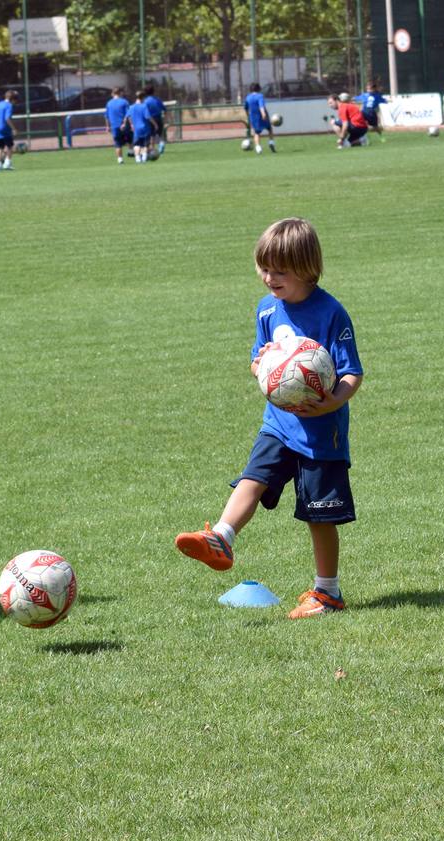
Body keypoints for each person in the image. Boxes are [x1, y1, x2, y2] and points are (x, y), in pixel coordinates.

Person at [176, 218, 364, 620]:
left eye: (279, 270)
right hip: (278, 423)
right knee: (253, 476)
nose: (269, 277)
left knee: (318, 514)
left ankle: (327, 592)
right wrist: (264, 368)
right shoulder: (266, 310)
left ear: (307, 268)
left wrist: (331, 403)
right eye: (264, 268)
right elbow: (258, 360)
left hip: (321, 434)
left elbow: (352, 373)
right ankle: (221, 538)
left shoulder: (331, 313)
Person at [243, 82, 276, 154]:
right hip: (262, 115)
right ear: (259, 89)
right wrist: (263, 114)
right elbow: (261, 106)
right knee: (269, 128)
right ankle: (271, 142)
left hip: (253, 117)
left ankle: (258, 148)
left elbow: (245, 107)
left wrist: (247, 116)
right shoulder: (260, 96)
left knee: (256, 133)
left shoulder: (248, 97)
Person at [0, 90, 16, 172]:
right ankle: (7, 163)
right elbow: (7, 118)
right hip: (4, 128)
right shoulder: (9, 105)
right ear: (13, 99)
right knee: (10, 146)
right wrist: (13, 128)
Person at [126, 89, 155, 163]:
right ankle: (144, 159)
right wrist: (155, 124)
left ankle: (137, 159)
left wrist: (132, 124)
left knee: (136, 144)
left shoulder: (131, 107)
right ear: (143, 98)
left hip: (136, 129)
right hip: (145, 128)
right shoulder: (144, 106)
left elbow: (128, 116)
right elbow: (148, 117)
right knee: (145, 145)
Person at [105, 87, 130, 165]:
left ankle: (120, 159)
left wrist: (107, 126)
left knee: (118, 143)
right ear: (120, 93)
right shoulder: (124, 102)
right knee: (131, 139)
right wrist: (124, 123)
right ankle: (132, 152)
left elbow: (106, 116)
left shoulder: (109, 103)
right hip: (124, 125)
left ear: (112, 94)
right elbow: (128, 114)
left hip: (114, 126)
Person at [143, 85, 167, 153]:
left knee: (152, 135)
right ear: (153, 91)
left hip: (151, 120)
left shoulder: (146, 101)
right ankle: (162, 143)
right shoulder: (158, 99)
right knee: (160, 133)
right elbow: (164, 109)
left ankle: (152, 149)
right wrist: (164, 117)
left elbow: (145, 112)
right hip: (159, 118)